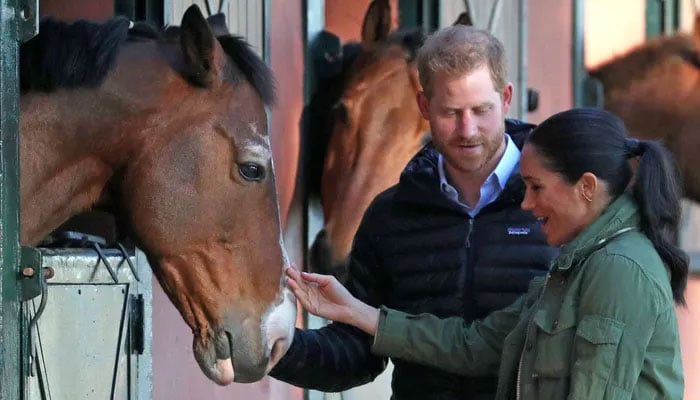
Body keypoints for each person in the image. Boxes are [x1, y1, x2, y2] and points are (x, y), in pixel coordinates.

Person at [286, 107, 688, 400]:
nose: (527, 205)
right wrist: (358, 312)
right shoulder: (580, 264)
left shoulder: (618, 268)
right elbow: (475, 345)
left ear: (585, 186)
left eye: (535, 187)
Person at [270, 25, 557, 399]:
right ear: (423, 108)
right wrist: (279, 348)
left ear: (505, 99)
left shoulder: (559, 202)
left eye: (480, 110)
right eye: (450, 112)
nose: (467, 130)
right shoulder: (390, 217)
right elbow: (357, 353)